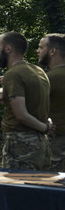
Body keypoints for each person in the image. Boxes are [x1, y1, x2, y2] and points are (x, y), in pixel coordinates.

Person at [0, 32, 52, 169]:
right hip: (42, 145)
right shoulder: (38, 71)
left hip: (21, 145)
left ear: (7, 49)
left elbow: (21, 115)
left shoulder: (13, 74)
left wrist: (45, 128)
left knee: (19, 189)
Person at [40, 34, 65, 168]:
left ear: (52, 51)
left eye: (41, 47)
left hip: (58, 146)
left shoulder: (49, 78)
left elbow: (28, 106)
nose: (38, 51)